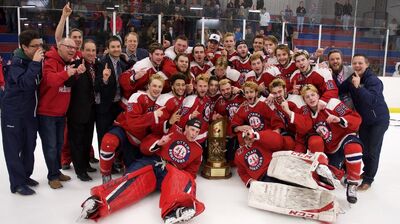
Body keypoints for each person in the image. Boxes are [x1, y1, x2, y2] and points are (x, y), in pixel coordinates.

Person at [79, 118, 205, 224]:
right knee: (132, 180)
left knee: (182, 178)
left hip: (170, 172)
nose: (194, 134)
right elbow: (145, 146)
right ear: (186, 127)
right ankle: (97, 203)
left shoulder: (198, 150)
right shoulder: (172, 130)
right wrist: (158, 143)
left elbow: (191, 174)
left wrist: (178, 174)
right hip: (154, 162)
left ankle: (178, 209)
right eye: (192, 129)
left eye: (197, 131)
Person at [300, 84, 363, 203]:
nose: (311, 98)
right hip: (329, 149)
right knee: (330, 176)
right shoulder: (305, 113)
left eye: (313, 95)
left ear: (318, 95)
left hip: (343, 139)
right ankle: (342, 177)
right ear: (304, 100)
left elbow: (356, 118)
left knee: (354, 148)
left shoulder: (332, 103)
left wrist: (340, 119)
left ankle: (352, 184)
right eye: (307, 97)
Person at [1, 30, 43, 195]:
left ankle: (25, 176)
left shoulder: (33, 60)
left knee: (29, 146)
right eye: (34, 46)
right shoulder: (16, 63)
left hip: (29, 113)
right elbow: (25, 83)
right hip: (14, 113)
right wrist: (35, 63)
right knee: (13, 149)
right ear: (24, 47)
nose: (39, 48)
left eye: (40, 44)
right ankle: (17, 183)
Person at [340, 54, 390, 191]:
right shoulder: (352, 78)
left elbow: (371, 100)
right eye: (354, 63)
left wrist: (358, 87)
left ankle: (368, 179)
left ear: (366, 64)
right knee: (364, 149)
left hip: (378, 120)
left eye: (360, 63)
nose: (357, 65)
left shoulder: (374, 81)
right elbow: (339, 90)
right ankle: (367, 171)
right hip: (364, 120)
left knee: (372, 150)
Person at [38, 38, 83, 188]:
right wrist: (67, 73)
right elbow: (50, 80)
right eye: (69, 47)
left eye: (74, 48)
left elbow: (68, 84)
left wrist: (76, 74)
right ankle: (52, 176)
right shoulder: (50, 60)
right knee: (50, 145)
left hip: (61, 112)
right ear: (59, 46)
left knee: (58, 144)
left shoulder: (68, 63)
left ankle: (56, 171)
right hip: (47, 112)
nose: (72, 50)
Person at [66, 39, 98, 182]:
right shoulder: (75, 64)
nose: (91, 53)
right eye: (88, 50)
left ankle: (85, 164)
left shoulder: (96, 66)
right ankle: (80, 170)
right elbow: (67, 83)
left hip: (91, 111)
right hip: (77, 111)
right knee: (77, 141)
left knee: (87, 140)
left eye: (93, 50)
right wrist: (76, 73)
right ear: (82, 51)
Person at [95, 36, 129, 149]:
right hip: (105, 107)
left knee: (117, 135)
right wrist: (105, 79)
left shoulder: (123, 63)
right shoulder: (101, 63)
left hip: (118, 106)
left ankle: (115, 161)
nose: (116, 49)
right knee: (103, 135)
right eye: (113, 47)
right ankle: (104, 163)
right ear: (108, 49)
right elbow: (96, 86)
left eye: (118, 46)